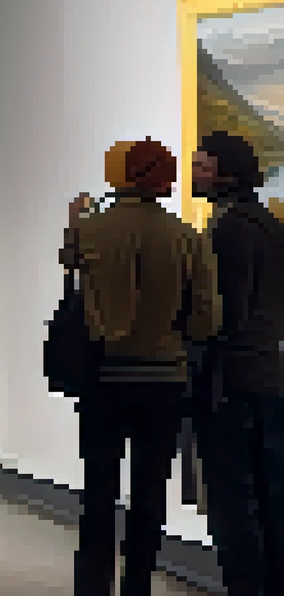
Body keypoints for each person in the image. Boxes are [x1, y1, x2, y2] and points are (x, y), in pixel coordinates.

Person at [63, 138, 218, 596]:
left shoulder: (90, 230)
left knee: (99, 493)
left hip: (104, 379)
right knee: (150, 494)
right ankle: (137, 588)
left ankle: (92, 587)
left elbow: (69, 266)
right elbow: (206, 321)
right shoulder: (186, 237)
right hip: (164, 380)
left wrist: (76, 219)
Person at [189, 130, 284, 595]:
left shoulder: (229, 229)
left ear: (225, 173)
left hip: (232, 382)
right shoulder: (266, 223)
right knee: (271, 501)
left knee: (233, 503)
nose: (194, 173)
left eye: (202, 166)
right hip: (269, 377)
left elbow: (225, 314)